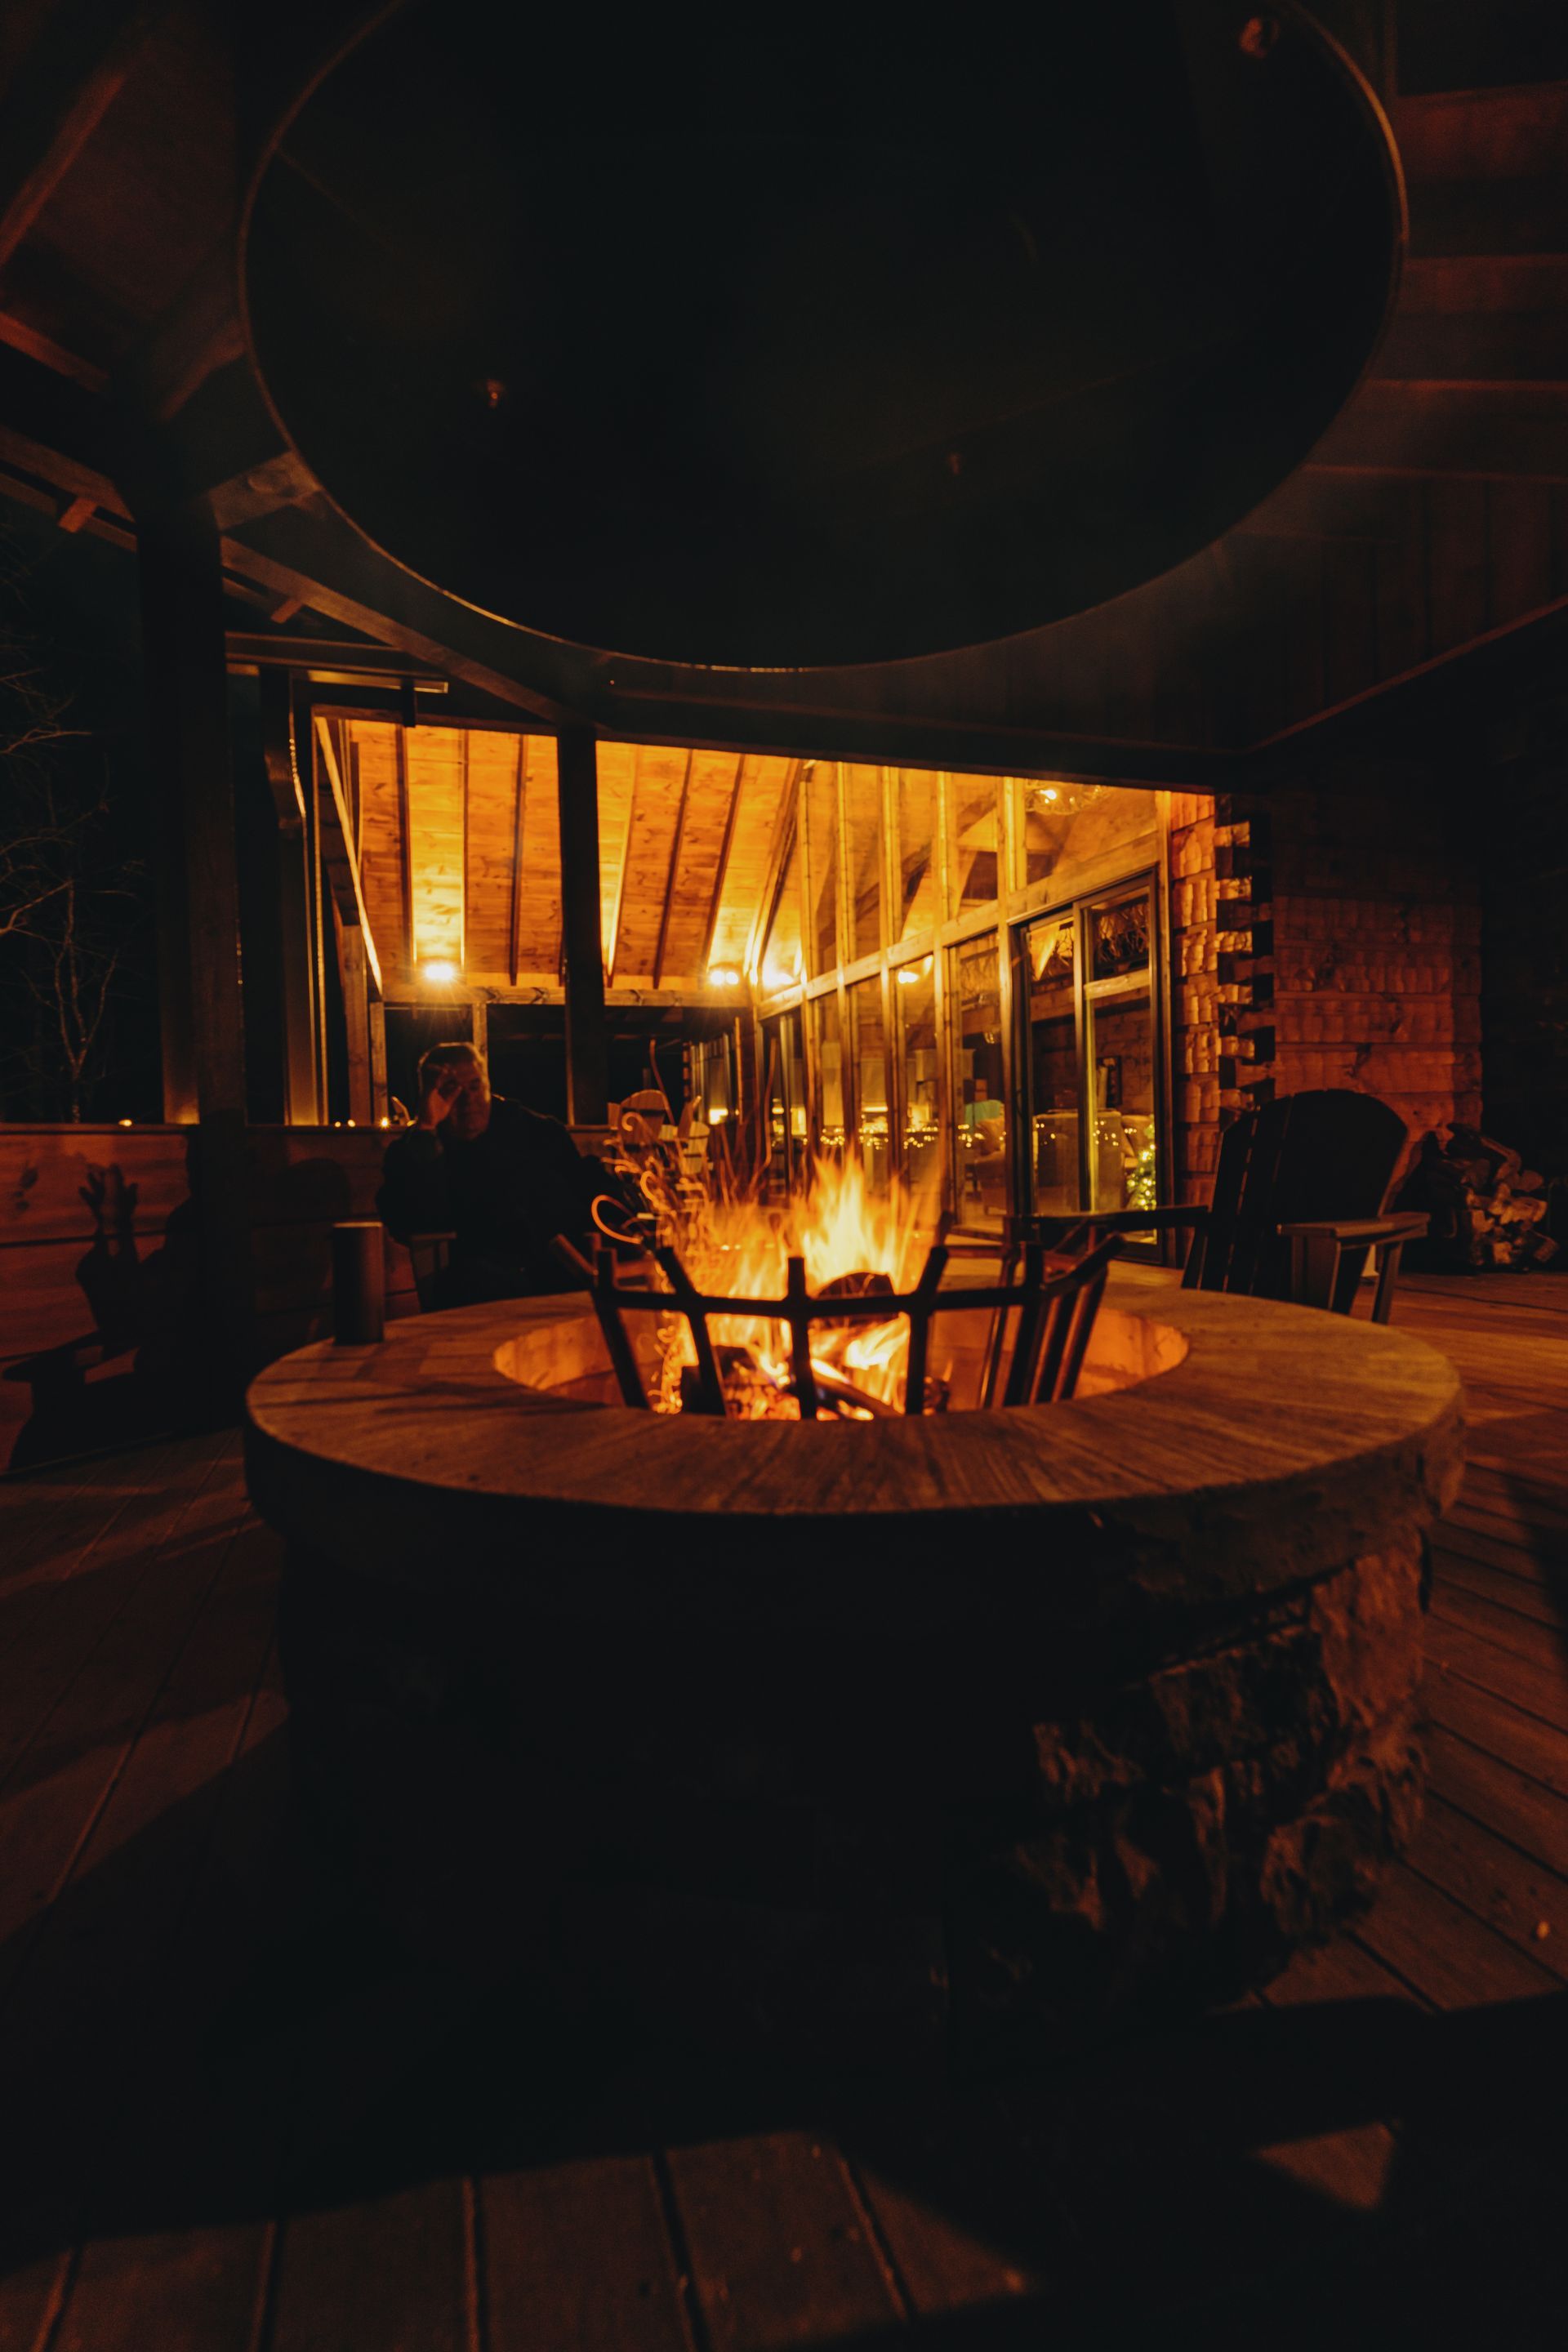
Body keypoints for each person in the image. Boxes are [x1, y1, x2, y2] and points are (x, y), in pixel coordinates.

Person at [376, 1043, 606, 1303]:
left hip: (560, 1272)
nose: (468, 1100)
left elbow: (583, 1195)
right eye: (451, 1090)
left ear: (488, 1086)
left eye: (475, 1087)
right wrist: (427, 1130)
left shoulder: (538, 1133)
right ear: (430, 1096)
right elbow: (412, 1219)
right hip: (478, 1285)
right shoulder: (414, 1150)